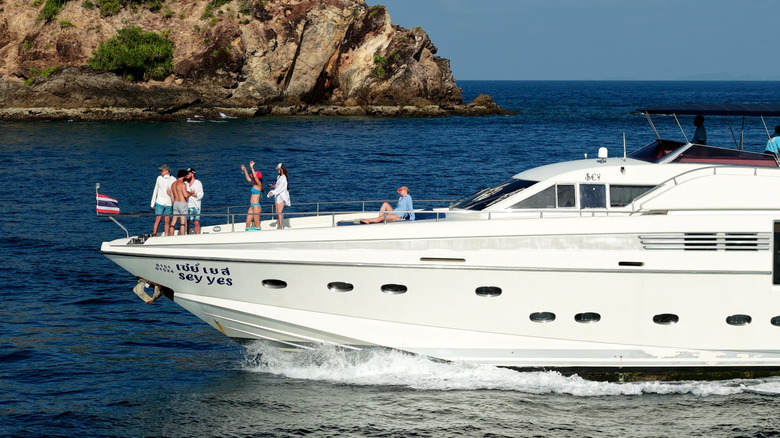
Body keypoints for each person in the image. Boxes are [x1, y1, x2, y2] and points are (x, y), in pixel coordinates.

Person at [150, 164, 174, 236]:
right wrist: (152, 202)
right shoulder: (159, 178)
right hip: (159, 202)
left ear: (167, 171)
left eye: (162, 170)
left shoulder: (173, 179)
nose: (161, 172)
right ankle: (154, 234)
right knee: (158, 219)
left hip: (169, 203)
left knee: (167, 220)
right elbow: (155, 190)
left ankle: (166, 235)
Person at [240, 161, 263, 231]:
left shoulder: (259, 185)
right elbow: (248, 178)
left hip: (256, 206)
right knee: (247, 222)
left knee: (256, 223)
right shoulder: (254, 183)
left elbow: (255, 177)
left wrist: (252, 167)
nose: (252, 178)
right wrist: (245, 169)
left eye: (254, 177)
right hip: (251, 206)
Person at [268, 162, 291, 229]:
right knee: (277, 212)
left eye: (279, 169)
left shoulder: (283, 178)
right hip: (278, 196)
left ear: (282, 169)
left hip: (282, 196)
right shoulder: (279, 177)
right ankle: (280, 225)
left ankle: (281, 226)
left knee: (279, 212)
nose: (277, 170)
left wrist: (273, 192)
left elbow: (281, 187)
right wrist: (273, 186)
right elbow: (278, 186)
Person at [169, 169, 191, 236]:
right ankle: (182, 237)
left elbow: (172, 197)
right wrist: (191, 193)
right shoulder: (183, 184)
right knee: (182, 222)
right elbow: (185, 195)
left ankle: (171, 237)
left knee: (173, 222)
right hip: (182, 203)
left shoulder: (173, 184)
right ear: (183, 176)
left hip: (175, 203)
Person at [186, 167, 204, 234]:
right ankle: (186, 235)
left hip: (195, 206)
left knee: (196, 222)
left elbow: (201, 194)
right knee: (186, 222)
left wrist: (192, 194)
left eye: (188, 174)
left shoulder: (198, 183)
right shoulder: (185, 183)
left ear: (192, 174)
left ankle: (197, 236)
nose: (186, 175)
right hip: (186, 205)